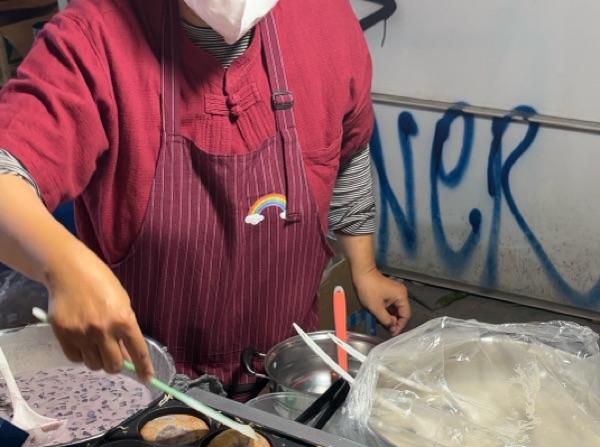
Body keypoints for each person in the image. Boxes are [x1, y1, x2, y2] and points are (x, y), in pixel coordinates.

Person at [0, 0, 410, 396]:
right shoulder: (93, 36)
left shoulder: (326, 19)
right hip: (149, 381)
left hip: (287, 370)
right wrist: (63, 267)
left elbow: (348, 151)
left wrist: (364, 268)